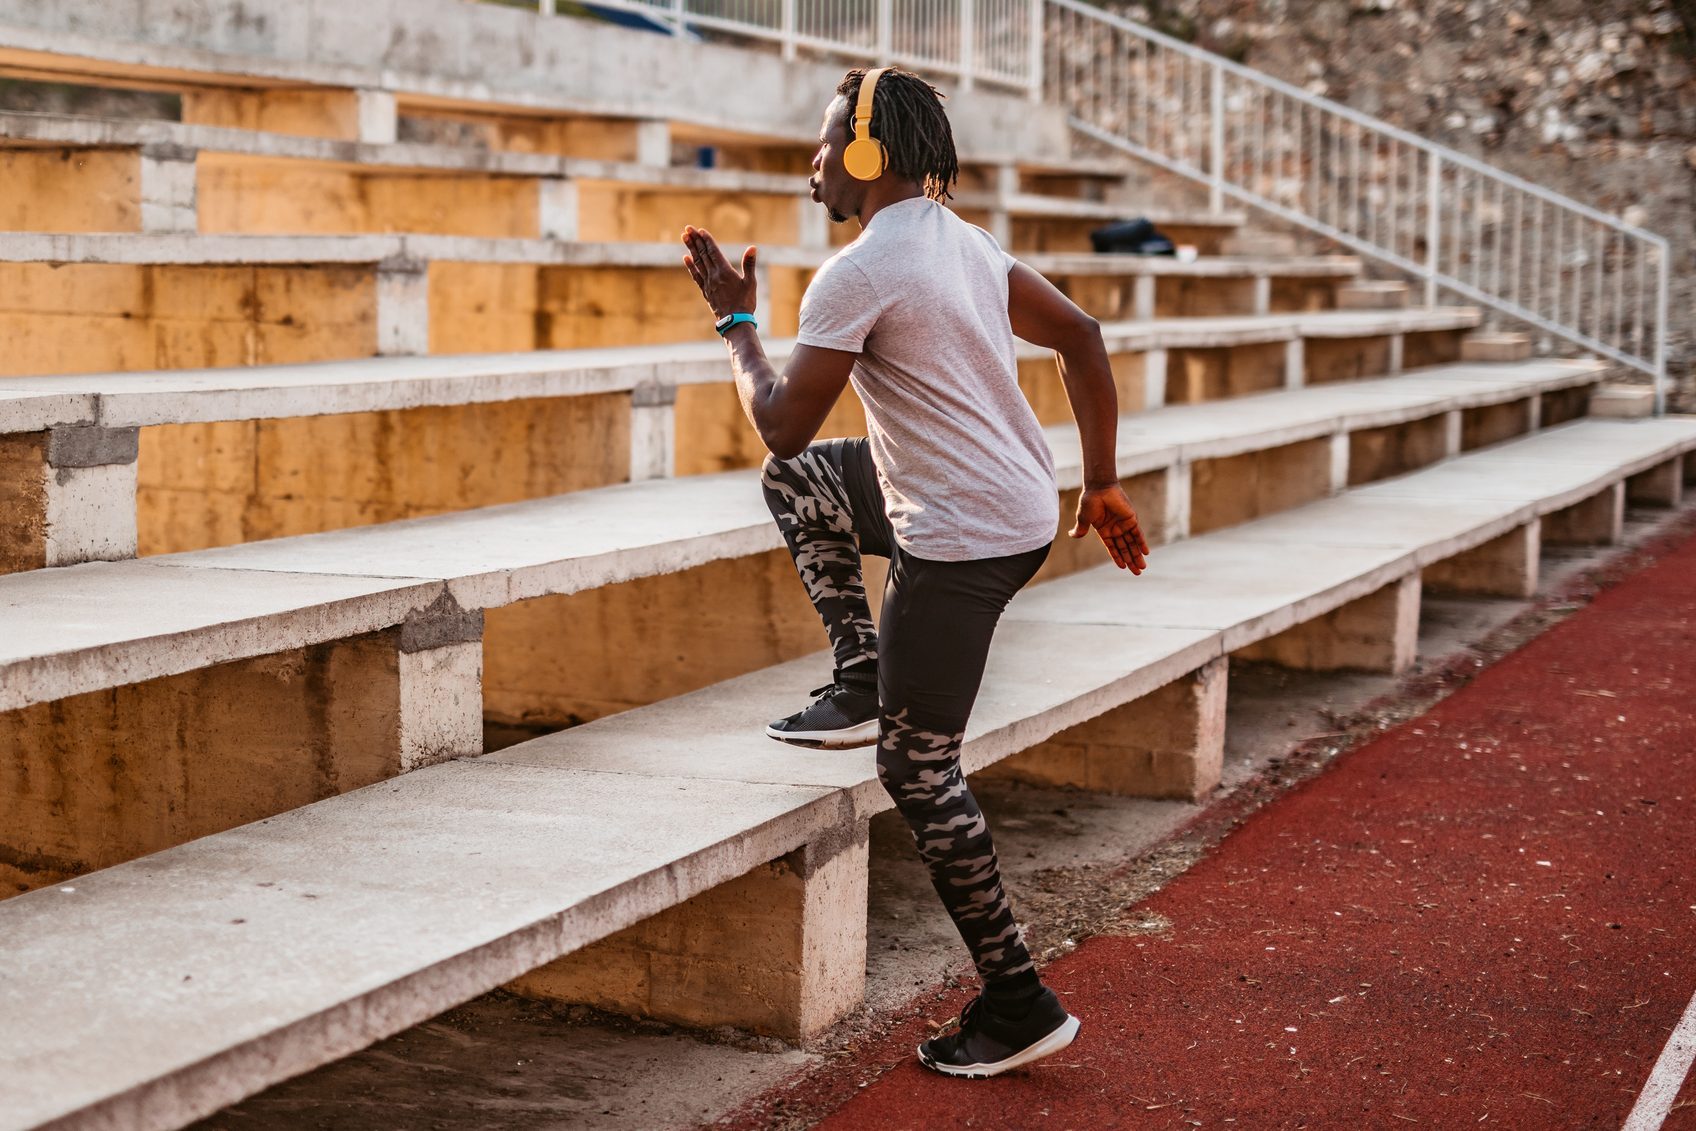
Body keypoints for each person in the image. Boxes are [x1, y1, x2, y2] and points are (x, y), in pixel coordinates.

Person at [681, 65, 1148, 1078]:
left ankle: (1017, 1001)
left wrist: (735, 324)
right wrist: (1099, 481)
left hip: (965, 534)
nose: (811, 167)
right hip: (1008, 505)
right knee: (805, 485)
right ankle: (862, 673)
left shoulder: (858, 270)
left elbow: (777, 420)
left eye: (819, 147)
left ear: (860, 154)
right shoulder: (963, 241)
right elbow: (1080, 333)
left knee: (917, 767)